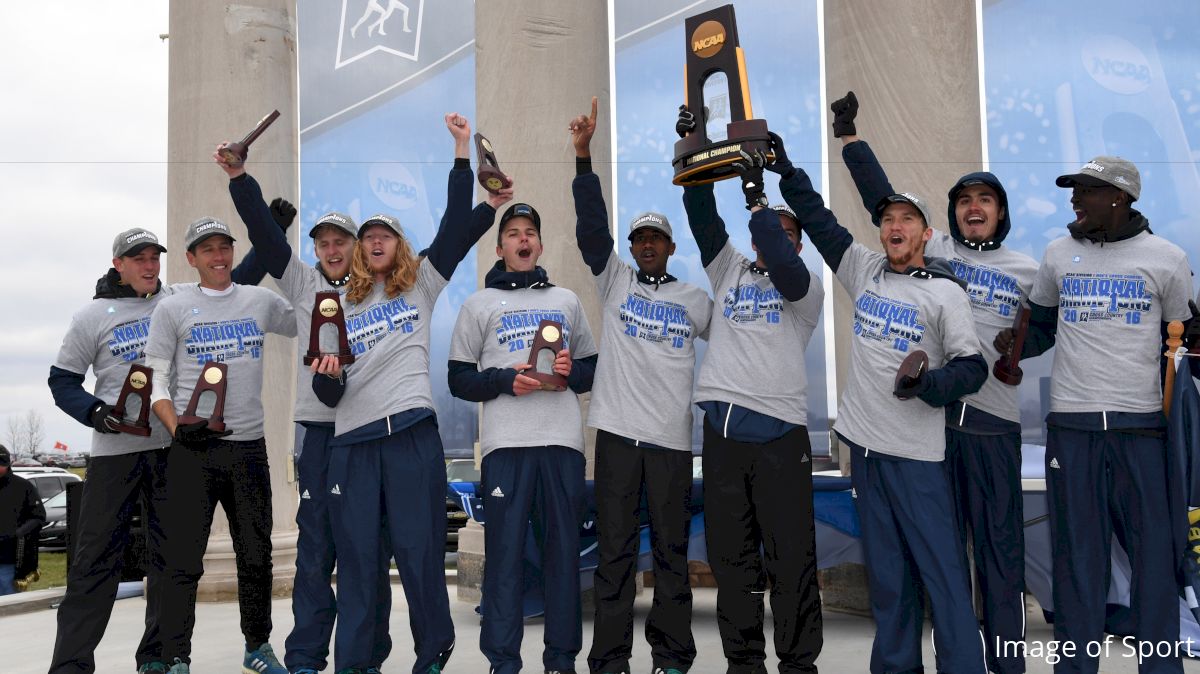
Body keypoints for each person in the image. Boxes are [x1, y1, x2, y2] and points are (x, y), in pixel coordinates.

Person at [756, 119, 989, 671]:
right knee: (887, 581)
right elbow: (817, 221)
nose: (895, 226)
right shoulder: (864, 270)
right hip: (866, 452)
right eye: (887, 220)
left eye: (907, 219)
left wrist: (929, 385)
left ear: (926, 234)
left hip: (918, 460)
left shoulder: (944, 295)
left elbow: (973, 368)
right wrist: (787, 171)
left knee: (946, 581)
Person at [829, 91, 1039, 674]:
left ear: (1001, 212)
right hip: (936, 431)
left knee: (998, 561)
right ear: (943, 220)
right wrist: (850, 139)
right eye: (965, 200)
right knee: (932, 560)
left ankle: (1005, 665)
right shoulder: (932, 249)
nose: (975, 208)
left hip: (993, 428)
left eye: (986, 201)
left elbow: (1046, 329)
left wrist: (1018, 349)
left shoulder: (1028, 269)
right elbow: (882, 199)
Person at [309, 112, 507, 674]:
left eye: (384, 235)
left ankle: (433, 651)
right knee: (358, 563)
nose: (374, 241)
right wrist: (326, 374)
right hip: (352, 444)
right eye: (366, 236)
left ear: (398, 246)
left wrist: (463, 153)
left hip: (411, 439)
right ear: (354, 250)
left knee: (420, 556)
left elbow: (455, 229)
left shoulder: (420, 283)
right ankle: (358, 660)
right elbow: (328, 394)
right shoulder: (336, 308)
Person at [46, 225, 272, 674]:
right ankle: (71, 664)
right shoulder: (92, 316)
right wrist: (94, 412)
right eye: (139, 259)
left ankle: (155, 657)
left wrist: (271, 234)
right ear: (119, 266)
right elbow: (62, 380)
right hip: (115, 455)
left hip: (172, 450)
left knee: (169, 563)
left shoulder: (179, 297)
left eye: (154, 258)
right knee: (94, 561)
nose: (150, 267)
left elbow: (229, 277)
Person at [996, 156, 1193, 673]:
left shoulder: (1167, 259)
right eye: (1073, 191)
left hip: (1142, 428)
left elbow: (1183, 342)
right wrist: (1013, 344)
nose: (1075, 200)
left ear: (1120, 198)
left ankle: (1161, 667)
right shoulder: (1059, 255)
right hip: (1073, 428)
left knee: (1154, 561)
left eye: (1085, 191)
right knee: (1078, 562)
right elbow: (1040, 327)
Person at [217, 148, 394, 674]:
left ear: (358, 248)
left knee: (366, 553)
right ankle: (304, 658)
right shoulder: (301, 285)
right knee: (315, 552)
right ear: (314, 249)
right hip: (315, 433)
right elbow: (267, 240)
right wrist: (240, 179)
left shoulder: (381, 289)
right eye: (324, 242)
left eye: (342, 241)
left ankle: (365, 657)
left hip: (365, 432)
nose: (333, 249)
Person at [676, 106, 824, 674]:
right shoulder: (730, 270)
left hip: (780, 439)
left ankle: (798, 664)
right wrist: (694, 141)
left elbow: (783, 260)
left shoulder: (803, 288)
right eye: (771, 235)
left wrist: (761, 198)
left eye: (789, 237)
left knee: (790, 560)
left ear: (800, 247)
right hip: (723, 439)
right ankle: (743, 662)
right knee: (731, 562)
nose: (776, 244)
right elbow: (699, 210)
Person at [569, 97, 711, 674]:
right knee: (616, 556)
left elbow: (737, 348)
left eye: (656, 238)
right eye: (639, 239)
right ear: (631, 250)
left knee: (673, 557)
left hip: (673, 445)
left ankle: (672, 658)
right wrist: (583, 160)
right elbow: (592, 230)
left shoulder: (696, 300)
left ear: (672, 247)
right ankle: (609, 660)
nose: (646, 245)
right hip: (620, 440)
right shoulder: (616, 283)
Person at [446, 199, 599, 674]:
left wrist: (572, 372)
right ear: (500, 246)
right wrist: (501, 380)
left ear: (539, 243)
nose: (523, 239)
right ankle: (503, 662)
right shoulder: (479, 304)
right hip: (505, 449)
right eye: (513, 232)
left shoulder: (566, 300)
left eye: (529, 231)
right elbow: (458, 379)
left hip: (561, 446)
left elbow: (591, 369)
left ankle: (560, 662)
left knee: (561, 560)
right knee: (506, 561)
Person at [145, 217, 296, 674]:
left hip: (249, 448)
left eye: (224, 247)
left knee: (256, 555)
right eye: (207, 249)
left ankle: (257, 646)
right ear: (191, 259)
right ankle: (176, 656)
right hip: (192, 450)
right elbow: (155, 376)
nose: (218, 256)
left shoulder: (259, 301)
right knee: (183, 561)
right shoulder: (172, 307)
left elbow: (312, 320)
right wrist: (176, 427)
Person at [0, 445, 45, 597]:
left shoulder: (23, 487)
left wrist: (19, 533)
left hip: (10, 559)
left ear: (7, 465)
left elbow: (38, 517)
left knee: (9, 604)